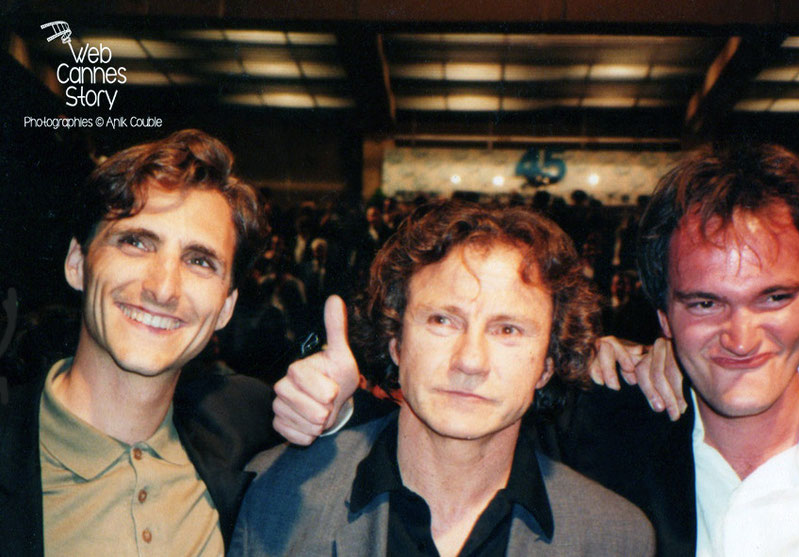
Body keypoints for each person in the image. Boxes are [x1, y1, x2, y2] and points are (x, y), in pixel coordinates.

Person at [272, 142, 799, 556]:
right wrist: (339, 412)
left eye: (773, 297)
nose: (740, 338)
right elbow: (456, 425)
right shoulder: (609, 423)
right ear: (665, 316)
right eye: (705, 304)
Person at [233, 201, 655, 556]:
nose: (470, 360)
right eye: (442, 320)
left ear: (547, 364)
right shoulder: (277, 494)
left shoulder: (616, 539)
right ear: (395, 342)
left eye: (508, 330)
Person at [0, 129, 282, 556]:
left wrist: (340, 410)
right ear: (77, 263)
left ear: (225, 306)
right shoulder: (11, 446)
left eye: (199, 261)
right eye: (136, 242)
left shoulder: (247, 421)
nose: (163, 288)